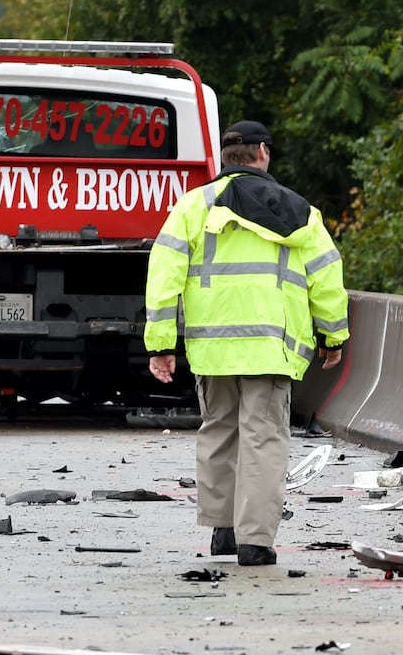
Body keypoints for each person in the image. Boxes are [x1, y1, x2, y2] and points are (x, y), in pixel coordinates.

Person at [145, 121, 349, 567]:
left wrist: (161, 344)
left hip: (213, 348)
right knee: (263, 437)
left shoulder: (193, 207)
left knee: (219, 431)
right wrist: (333, 336)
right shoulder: (300, 212)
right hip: (271, 348)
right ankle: (254, 542)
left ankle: (223, 532)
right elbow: (327, 278)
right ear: (263, 152)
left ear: (225, 156)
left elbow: (163, 276)